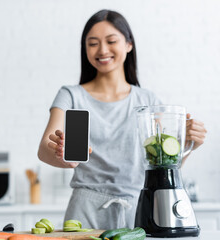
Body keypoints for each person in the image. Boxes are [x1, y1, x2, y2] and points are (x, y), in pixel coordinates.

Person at [37, 9, 207, 229]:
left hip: (138, 208)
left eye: (111, 41)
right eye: (93, 43)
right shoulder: (70, 95)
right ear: (85, 49)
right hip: (84, 211)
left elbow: (160, 166)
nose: (102, 50)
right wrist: (60, 155)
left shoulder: (148, 100)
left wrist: (187, 147)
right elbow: (43, 149)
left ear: (128, 44)